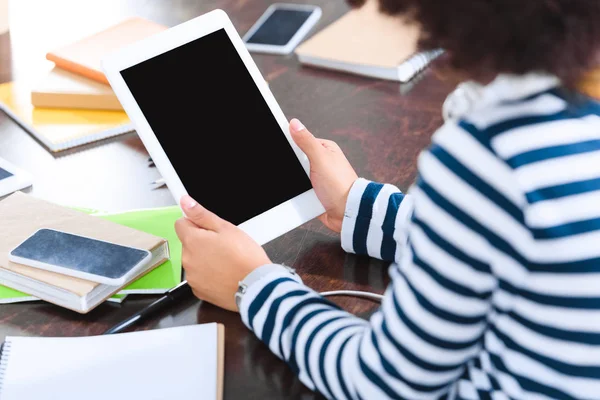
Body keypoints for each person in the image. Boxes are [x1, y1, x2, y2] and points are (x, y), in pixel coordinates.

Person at [175, 0, 600, 398]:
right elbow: (510, 236)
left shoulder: (490, 155)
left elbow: (383, 383)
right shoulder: (575, 122)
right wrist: (358, 206)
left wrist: (253, 287)